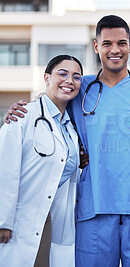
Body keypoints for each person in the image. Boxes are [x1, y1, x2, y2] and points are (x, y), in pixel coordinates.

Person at [3, 15, 130, 266]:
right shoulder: (81, 87)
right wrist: (21, 110)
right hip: (95, 207)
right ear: (96, 47)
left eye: (121, 43)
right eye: (107, 43)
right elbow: (52, 102)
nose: (114, 50)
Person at [0, 55, 83, 267]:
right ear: (46, 78)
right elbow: (5, 168)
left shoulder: (71, 128)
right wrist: (3, 221)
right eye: (62, 74)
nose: (69, 81)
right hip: (21, 220)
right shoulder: (23, 116)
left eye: (76, 77)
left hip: (53, 218)